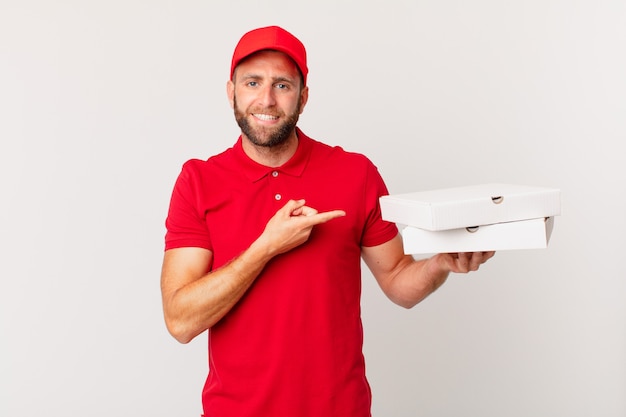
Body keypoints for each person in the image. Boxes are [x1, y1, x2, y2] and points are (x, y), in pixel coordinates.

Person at [160, 25, 495, 417]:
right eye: (252, 82)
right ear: (231, 91)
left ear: (303, 97)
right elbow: (180, 320)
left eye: (282, 85)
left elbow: (399, 281)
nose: (266, 99)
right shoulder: (198, 181)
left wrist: (440, 264)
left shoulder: (355, 173)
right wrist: (266, 247)